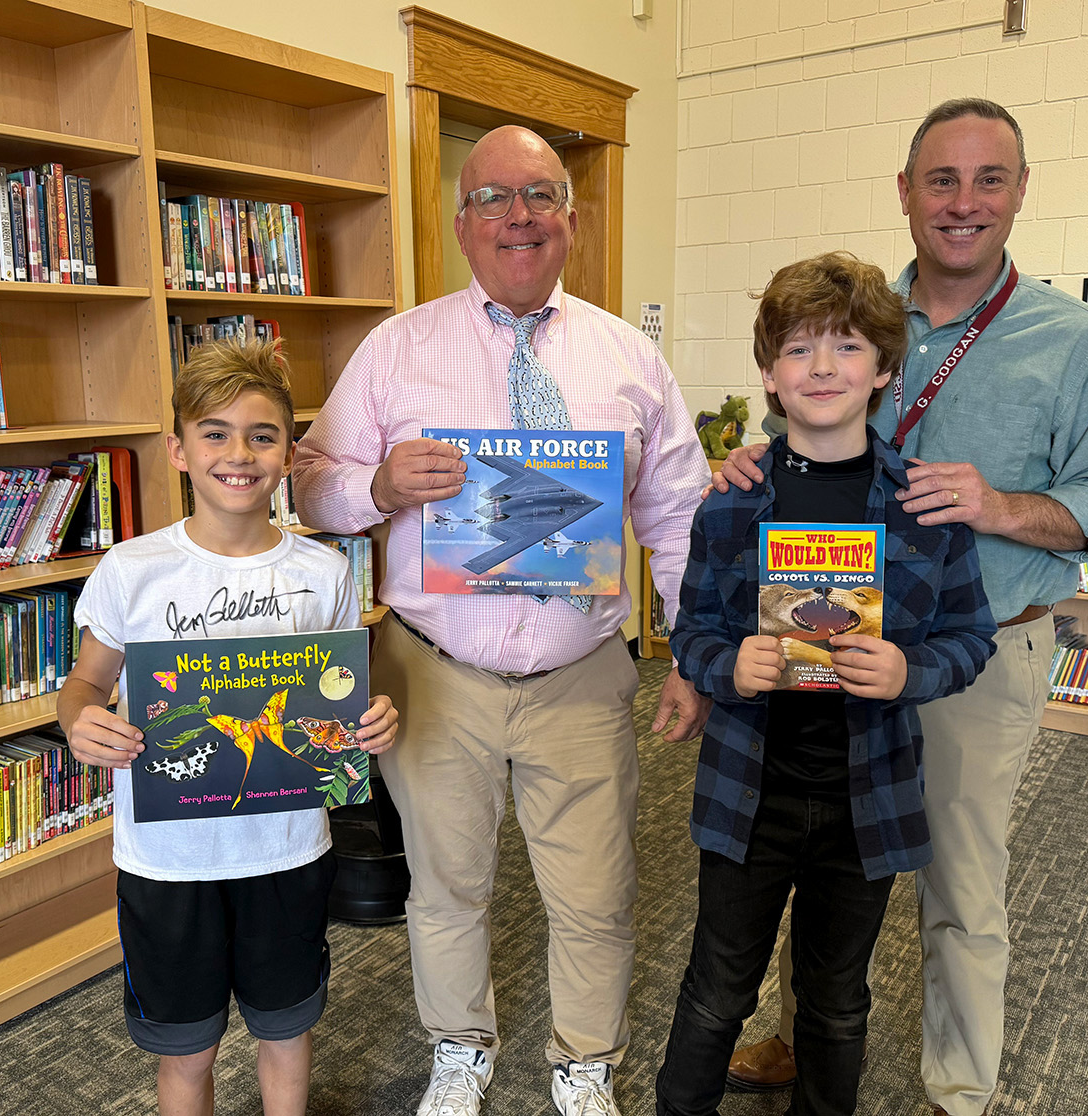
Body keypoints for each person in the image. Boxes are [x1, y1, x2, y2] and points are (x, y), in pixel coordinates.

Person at [716, 99, 1088, 1116]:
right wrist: (757, 457)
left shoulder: (1079, 341)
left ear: (1019, 192)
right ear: (907, 192)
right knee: (814, 850)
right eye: (941, 180)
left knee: (961, 887)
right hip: (828, 645)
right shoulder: (860, 318)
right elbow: (803, 424)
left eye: (989, 180)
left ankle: (956, 1089)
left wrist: (1000, 505)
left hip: (976, 653)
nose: (963, 203)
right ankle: (798, 1031)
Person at [290, 124, 711, 1116]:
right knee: (445, 886)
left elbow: (682, 518)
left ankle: (583, 1061)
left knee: (596, 892)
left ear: (570, 216)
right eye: (492, 199)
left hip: (583, 670)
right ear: (461, 221)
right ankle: (459, 1046)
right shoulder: (397, 349)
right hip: (436, 670)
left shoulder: (630, 359)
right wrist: (378, 483)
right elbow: (308, 486)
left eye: (538, 196)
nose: (516, 217)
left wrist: (692, 649)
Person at [656, 251, 997, 1116]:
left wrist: (909, 671)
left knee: (837, 1002)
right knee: (717, 991)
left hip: (867, 798)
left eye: (846, 348)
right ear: (769, 374)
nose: (822, 369)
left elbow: (971, 637)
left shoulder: (921, 505)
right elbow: (689, 630)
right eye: (799, 350)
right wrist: (725, 665)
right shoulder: (731, 502)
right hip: (749, 794)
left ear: (884, 368)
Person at [59, 338, 399, 1116]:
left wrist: (373, 721)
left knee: (286, 1029)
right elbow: (85, 682)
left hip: (287, 851)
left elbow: (344, 695)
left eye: (262, 435)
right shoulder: (132, 569)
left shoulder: (324, 572)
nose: (237, 454)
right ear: (178, 449)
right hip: (167, 861)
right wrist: (81, 720)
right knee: (187, 1048)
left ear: (288, 453)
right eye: (214, 433)